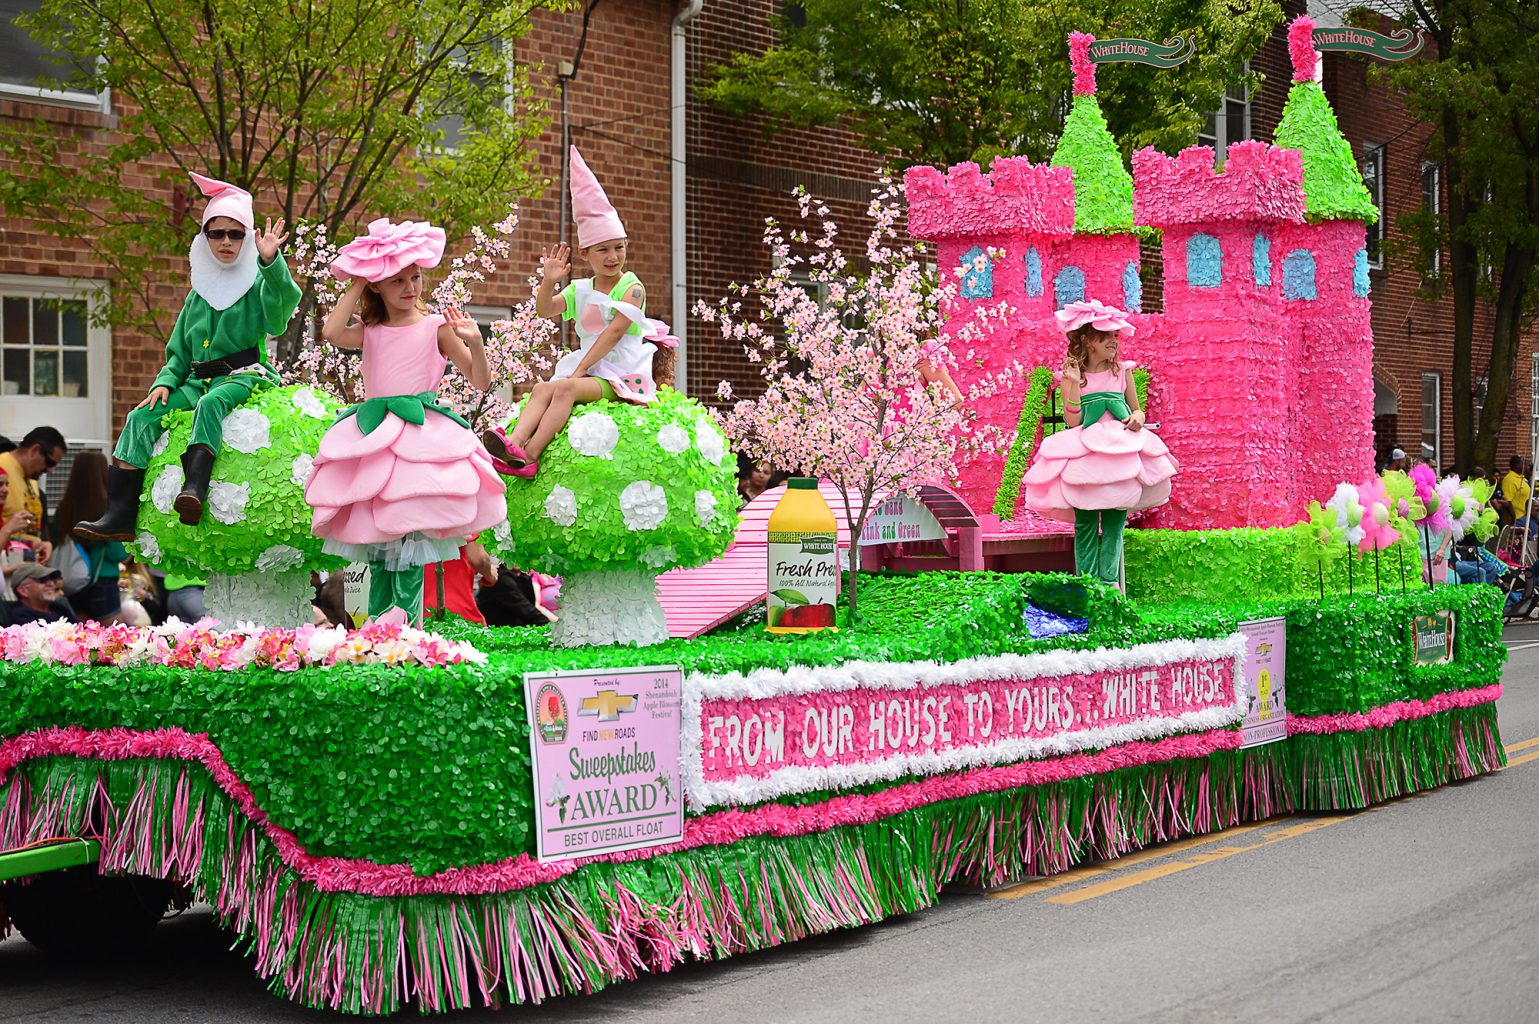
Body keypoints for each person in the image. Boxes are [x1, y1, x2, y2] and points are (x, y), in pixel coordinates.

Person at [76, 172, 300, 542]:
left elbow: (279, 316)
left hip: (245, 374)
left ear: (246, 238)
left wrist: (271, 263)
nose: (226, 241)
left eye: (235, 233)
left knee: (212, 403)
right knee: (140, 414)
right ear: (205, 238)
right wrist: (164, 382)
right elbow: (178, 353)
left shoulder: (258, 282)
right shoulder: (197, 295)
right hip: (197, 379)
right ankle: (119, 515)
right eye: (217, 233)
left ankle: (193, 489)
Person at [304, 218, 507, 623]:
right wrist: (360, 280)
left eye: (415, 278)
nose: (410, 288)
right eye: (397, 280)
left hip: (419, 438)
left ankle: (406, 635)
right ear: (379, 285)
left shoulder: (436, 326)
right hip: (374, 437)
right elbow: (329, 330)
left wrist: (477, 342)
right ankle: (364, 635)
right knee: (369, 541)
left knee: (411, 543)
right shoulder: (370, 329)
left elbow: (481, 380)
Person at [482, 146, 677, 479]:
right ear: (587, 254)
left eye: (619, 246)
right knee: (543, 388)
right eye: (604, 249)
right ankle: (512, 443)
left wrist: (580, 370)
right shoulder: (580, 289)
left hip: (619, 372)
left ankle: (530, 456)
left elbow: (614, 333)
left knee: (566, 389)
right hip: (589, 366)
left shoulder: (632, 287)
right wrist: (548, 282)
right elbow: (546, 310)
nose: (613, 255)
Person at [1021, 299, 1178, 586]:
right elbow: (1072, 421)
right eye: (1105, 337)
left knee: (1116, 522)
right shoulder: (1074, 376)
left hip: (1120, 452)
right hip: (1087, 454)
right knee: (1086, 523)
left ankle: (1110, 586)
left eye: (1115, 337)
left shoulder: (1123, 371)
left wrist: (1138, 419)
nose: (1113, 342)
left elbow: (1137, 408)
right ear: (1087, 340)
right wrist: (1070, 382)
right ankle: (1087, 585)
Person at [51, 451, 127, 623]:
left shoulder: (64, 509)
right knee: (116, 641)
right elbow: (118, 554)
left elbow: (55, 543)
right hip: (102, 582)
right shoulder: (108, 509)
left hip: (72, 584)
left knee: (82, 642)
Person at [0, 425, 66, 564]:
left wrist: (41, 543)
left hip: (20, 570)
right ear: (35, 450)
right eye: (49, 462)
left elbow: (25, 531)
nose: (50, 470)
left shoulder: (32, 478)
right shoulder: (2, 470)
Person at [423, 539, 499, 624]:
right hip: (457, 604)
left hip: (421, 605)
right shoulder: (466, 525)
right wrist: (490, 574)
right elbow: (478, 559)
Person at [8, 562, 73, 625]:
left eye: (52, 579)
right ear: (23, 590)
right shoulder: (21, 616)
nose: (52, 584)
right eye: (43, 579)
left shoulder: (59, 608)